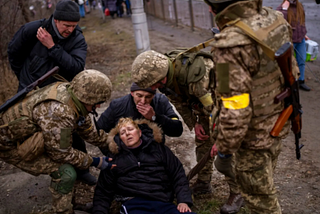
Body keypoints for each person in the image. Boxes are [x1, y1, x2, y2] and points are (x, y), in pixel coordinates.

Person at [203, 0, 299, 213]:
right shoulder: (274, 20)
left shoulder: (229, 45)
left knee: (261, 204)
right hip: (277, 121)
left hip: (253, 139)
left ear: (213, 8)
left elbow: (234, 105)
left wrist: (224, 146)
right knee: (265, 185)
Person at [130, 50, 244, 212]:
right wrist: (195, 123)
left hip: (228, 108)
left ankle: (238, 191)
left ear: (161, 78)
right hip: (207, 109)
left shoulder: (198, 78)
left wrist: (222, 138)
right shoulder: (165, 77)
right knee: (203, 143)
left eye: (154, 85)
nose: (153, 89)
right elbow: (180, 102)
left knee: (225, 156)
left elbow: (222, 108)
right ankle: (204, 183)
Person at [0, 70, 117, 214]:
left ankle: (70, 203)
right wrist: (95, 161)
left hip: (34, 136)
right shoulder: (60, 112)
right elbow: (61, 154)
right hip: (8, 146)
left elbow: (87, 130)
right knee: (66, 173)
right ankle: (63, 211)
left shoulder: (74, 96)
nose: (98, 107)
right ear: (87, 98)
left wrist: (113, 143)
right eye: (97, 103)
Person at [7, 0, 96, 186]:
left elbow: (76, 68)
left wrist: (52, 47)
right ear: (56, 20)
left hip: (61, 95)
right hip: (30, 93)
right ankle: (56, 171)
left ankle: (83, 171)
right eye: (66, 25)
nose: (70, 30)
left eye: (73, 26)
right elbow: (14, 53)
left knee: (72, 131)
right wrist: (24, 77)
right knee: (34, 133)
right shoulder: (32, 30)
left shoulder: (77, 39)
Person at [92, 118, 196, 214]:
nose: (127, 133)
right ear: (120, 138)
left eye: (130, 129)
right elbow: (103, 190)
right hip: (134, 204)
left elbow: (177, 174)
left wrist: (183, 201)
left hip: (162, 201)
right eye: (123, 133)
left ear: (139, 132)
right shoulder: (115, 158)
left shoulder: (159, 150)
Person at [96, 82, 183, 153]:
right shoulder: (118, 105)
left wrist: (155, 117)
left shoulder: (161, 101)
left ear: (153, 95)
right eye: (139, 96)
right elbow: (98, 131)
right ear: (132, 93)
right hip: (127, 155)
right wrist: (112, 153)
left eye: (148, 97)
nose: (143, 101)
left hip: (154, 155)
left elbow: (177, 130)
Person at [277, 0, 311, 91]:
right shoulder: (281, 8)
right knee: (289, 63)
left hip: (301, 40)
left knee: (302, 60)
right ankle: (289, 83)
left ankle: (301, 81)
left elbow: (302, 22)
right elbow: (280, 24)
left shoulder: (300, 6)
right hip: (290, 41)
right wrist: (284, 9)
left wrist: (304, 34)